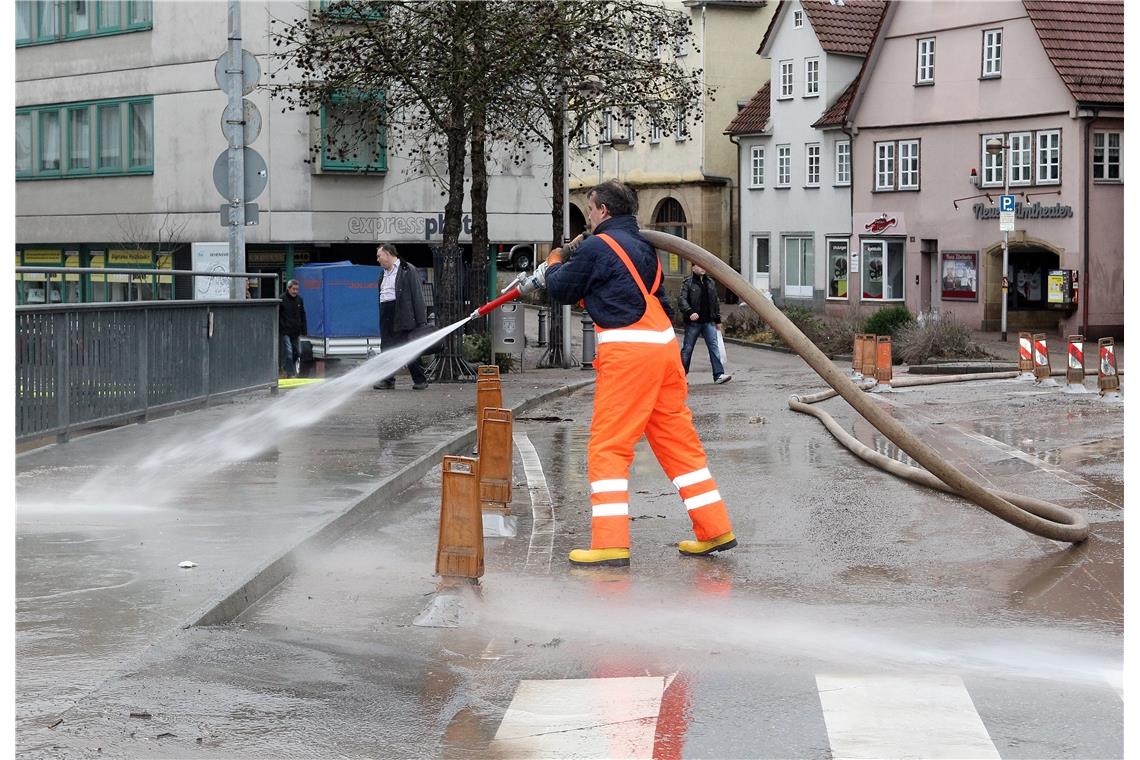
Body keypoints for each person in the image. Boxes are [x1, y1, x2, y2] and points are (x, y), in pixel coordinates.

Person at [539, 180, 737, 567]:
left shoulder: (598, 246)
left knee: (608, 446)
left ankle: (610, 543)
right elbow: (639, 295)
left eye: (592, 209)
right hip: (662, 351)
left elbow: (560, 289)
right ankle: (714, 528)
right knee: (678, 444)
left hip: (629, 356)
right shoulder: (646, 248)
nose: (590, 216)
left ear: (604, 211)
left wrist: (554, 261)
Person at [373, 243, 429, 390]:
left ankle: (420, 380)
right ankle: (388, 380)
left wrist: (421, 320)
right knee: (386, 347)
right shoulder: (383, 273)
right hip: (386, 311)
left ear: (387, 254)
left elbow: (417, 295)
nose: (378, 259)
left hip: (402, 313)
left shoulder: (407, 269)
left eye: (379, 256)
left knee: (408, 346)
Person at [678, 264, 732, 384]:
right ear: (693, 268)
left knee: (714, 347)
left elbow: (715, 302)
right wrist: (690, 312)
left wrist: (717, 320)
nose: (703, 268)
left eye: (704, 265)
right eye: (699, 266)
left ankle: (718, 374)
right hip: (693, 323)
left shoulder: (710, 282)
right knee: (687, 349)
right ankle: (680, 377)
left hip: (708, 321)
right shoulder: (688, 283)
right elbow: (682, 300)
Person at [278, 278, 307, 378]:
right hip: (285, 331)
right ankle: (290, 374)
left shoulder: (299, 300)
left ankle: (286, 368)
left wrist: (304, 329)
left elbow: (302, 314)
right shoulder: (281, 299)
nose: (295, 291)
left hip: (296, 331)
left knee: (298, 352)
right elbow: (278, 315)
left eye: (297, 289)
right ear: (288, 288)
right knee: (289, 352)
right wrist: (282, 327)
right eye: (293, 289)